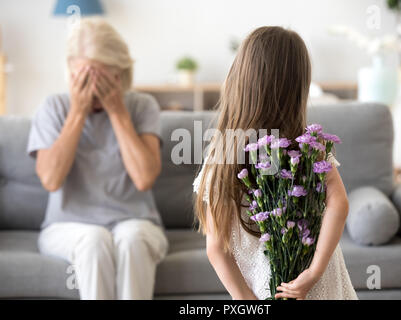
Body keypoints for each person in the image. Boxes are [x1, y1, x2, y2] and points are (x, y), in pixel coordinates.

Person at [193, 26, 357, 300]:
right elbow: (338, 203)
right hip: (317, 285)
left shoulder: (222, 154)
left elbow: (216, 248)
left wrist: (245, 299)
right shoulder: (308, 148)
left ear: (240, 80)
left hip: (263, 290)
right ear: (297, 89)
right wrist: (313, 273)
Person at [27, 18, 168, 300]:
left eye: (102, 80)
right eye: (83, 78)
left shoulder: (142, 106)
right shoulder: (53, 108)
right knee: (94, 240)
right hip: (67, 226)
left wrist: (117, 113)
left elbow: (144, 178)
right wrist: (77, 113)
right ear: (70, 73)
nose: (93, 91)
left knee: (133, 238)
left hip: (137, 221)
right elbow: (51, 179)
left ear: (120, 75)